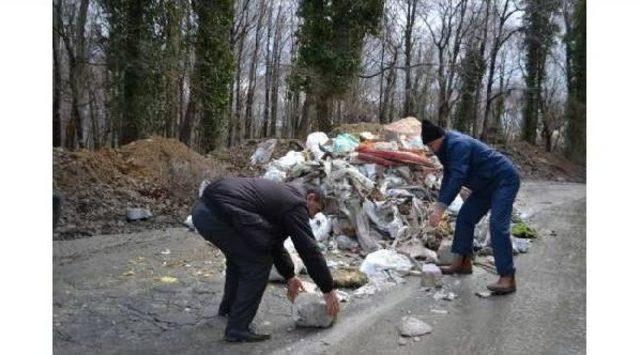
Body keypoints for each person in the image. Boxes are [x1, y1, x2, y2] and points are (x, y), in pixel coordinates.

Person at [191, 177, 339, 342]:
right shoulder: (296, 204)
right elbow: (308, 249)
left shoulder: (285, 197)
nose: (312, 217)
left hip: (203, 211)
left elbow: (272, 242)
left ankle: (229, 309)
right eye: (316, 210)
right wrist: (328, 288)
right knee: (257, 263)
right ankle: (237, 328)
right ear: (310, 198)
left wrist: (289, 276)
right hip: (216, 215)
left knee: (240, 258)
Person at [422, 120, 520, 294]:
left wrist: (441, 209)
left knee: (497, 225)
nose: (431, 150)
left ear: (440, 138)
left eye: (431, 145)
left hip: (503, 179)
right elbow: (448, 177)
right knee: (465, 218)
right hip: (484, 185)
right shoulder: (443, 149)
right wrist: (439, 204)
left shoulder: (458, 144)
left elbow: (457, 177)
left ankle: (507, 277)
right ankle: (463, 262)